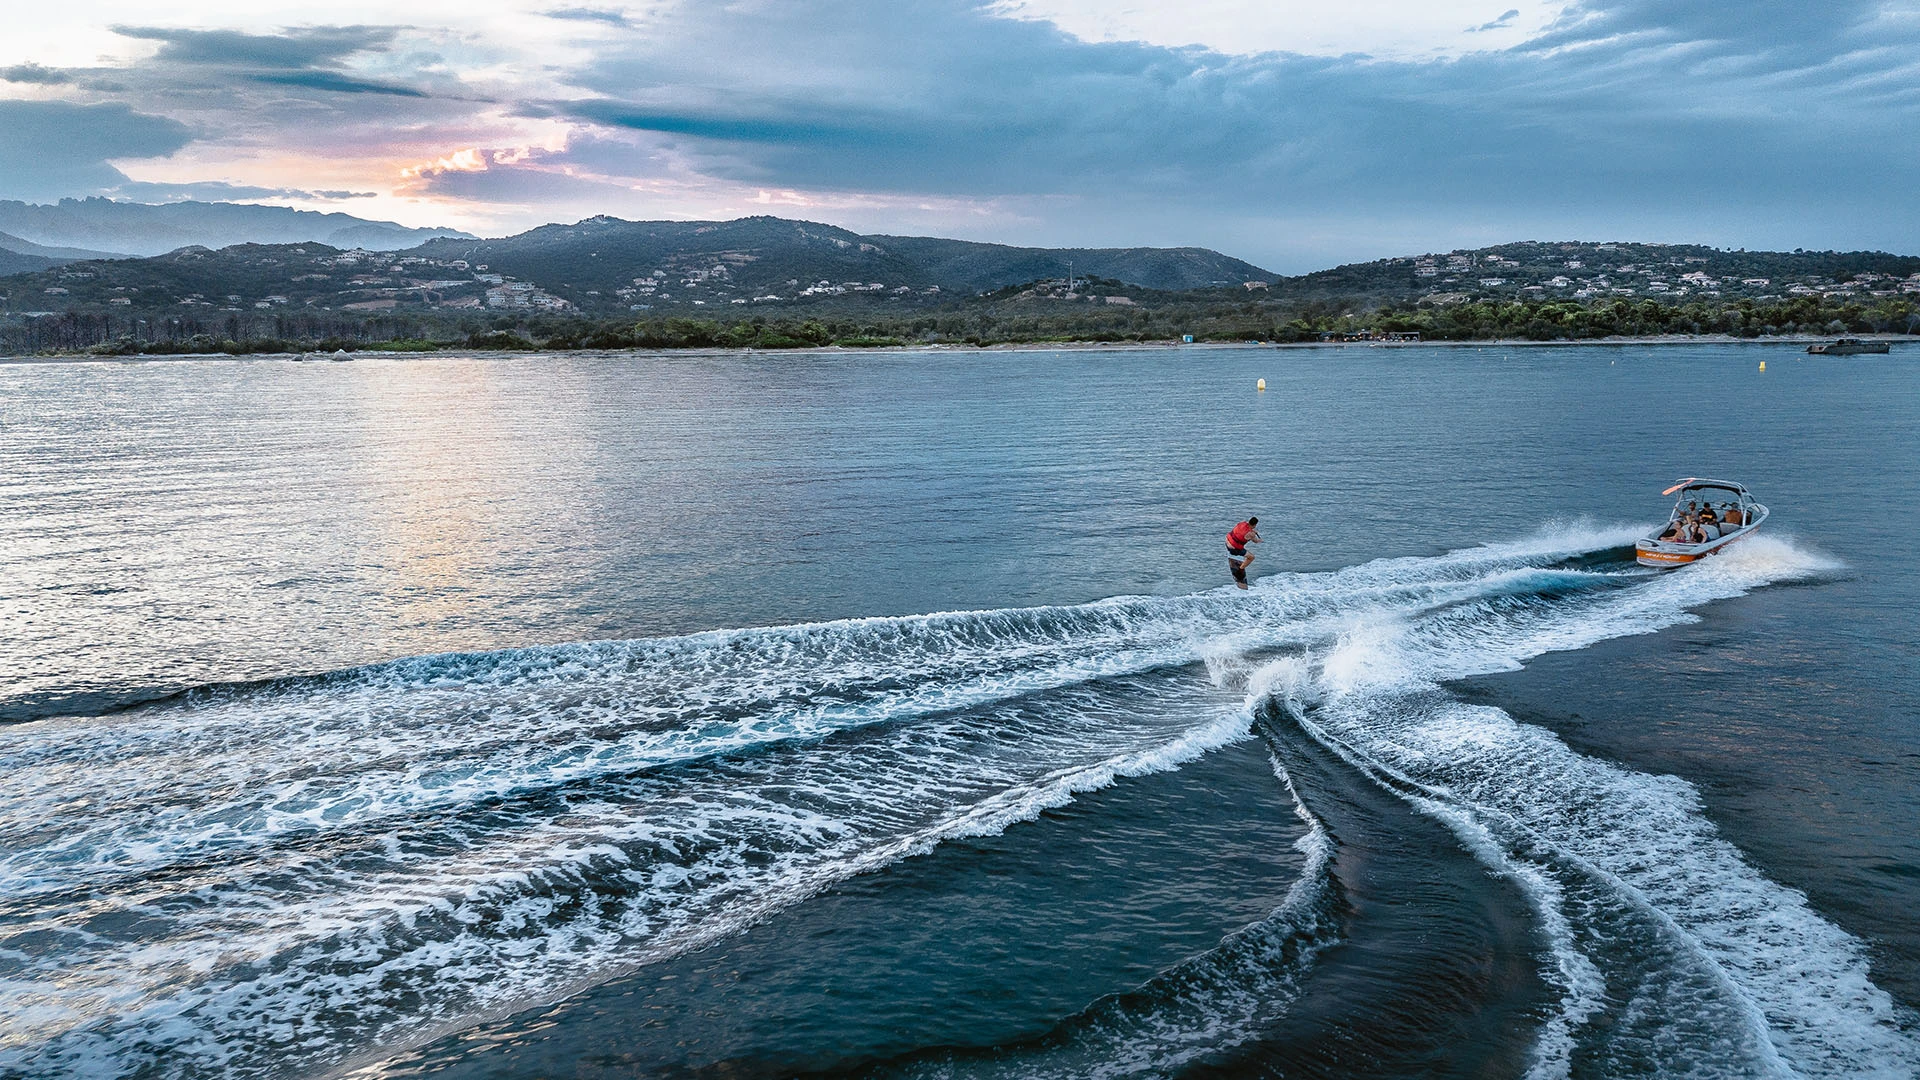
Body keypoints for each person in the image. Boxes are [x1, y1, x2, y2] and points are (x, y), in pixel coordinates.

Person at [1226, 516, 1261, 589]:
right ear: (1255, 525)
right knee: (1251, 557)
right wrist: (1259, 540)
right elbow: (1255, 541)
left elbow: (1242, 532)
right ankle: (1240, 570)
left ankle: (1237, 558)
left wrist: (1252, 531)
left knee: (1240, 545)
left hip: (1227, 541)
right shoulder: (1251, 534)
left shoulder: (1242, 523)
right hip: (1234, 548)